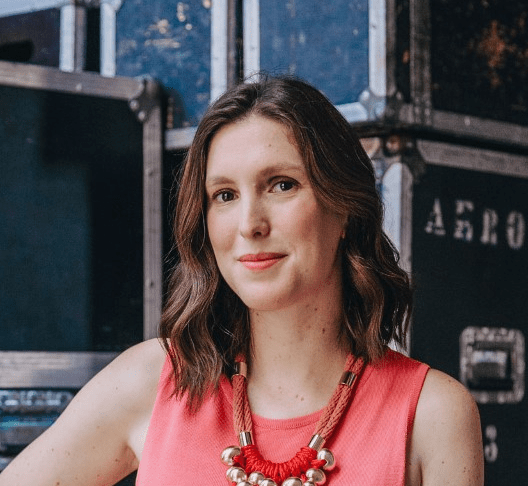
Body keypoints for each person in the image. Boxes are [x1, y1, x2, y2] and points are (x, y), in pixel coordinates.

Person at [0, 76, 484, 486]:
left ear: (345, 211)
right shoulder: (150, 382)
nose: (249, 224)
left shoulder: (433, 415)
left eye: (282, 185)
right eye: (225, 195)